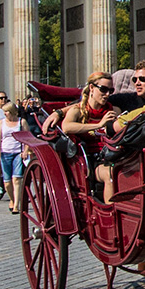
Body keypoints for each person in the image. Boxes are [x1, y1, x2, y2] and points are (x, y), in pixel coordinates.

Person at [61, 72, 118, 203]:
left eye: (111, 90)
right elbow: (66, 127)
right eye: (103, 89)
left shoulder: (113, 110)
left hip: (111, 154)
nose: (107, 94)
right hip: (90, 159)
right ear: (92, 88)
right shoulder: (78, 110)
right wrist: (99, 125)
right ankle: (111, 215)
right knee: (110, 175)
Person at [0, 103, 29, 213]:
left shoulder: (21, 122)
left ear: (12, 112)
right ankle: (12, 199)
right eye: (4, 111)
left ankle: (16, 205)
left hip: (17, 153)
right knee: (7, 182)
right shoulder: (2, 123)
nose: (5, 113)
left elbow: (28, 137)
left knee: (17, 179)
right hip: (5, 152)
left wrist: (25, 151)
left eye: (7, 111)